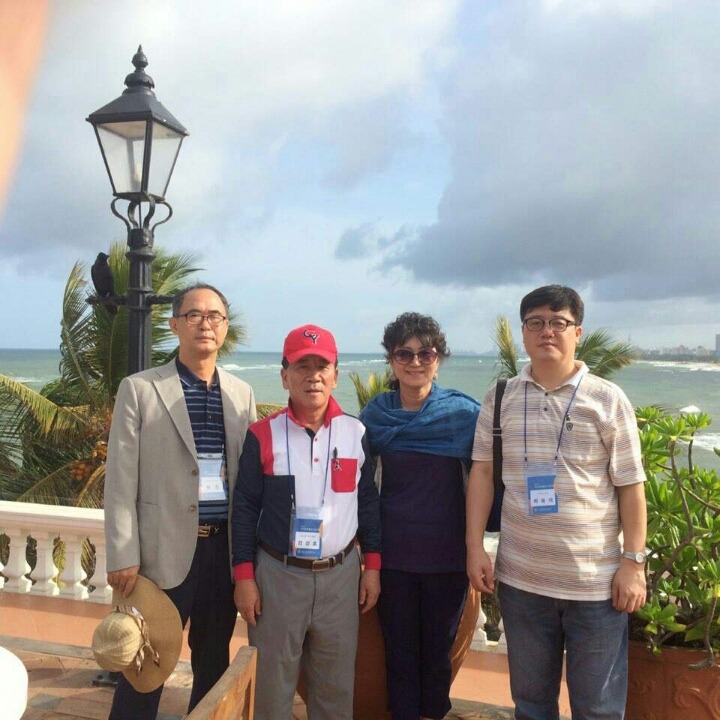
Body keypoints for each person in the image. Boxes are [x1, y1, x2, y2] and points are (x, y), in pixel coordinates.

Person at [466, 285, 647, 720]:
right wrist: (474, 547)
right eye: (536, 322)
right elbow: (483, 475)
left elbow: (630, 486)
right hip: (522, 582)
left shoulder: (607, 399)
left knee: (598, 709)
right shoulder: (500, 396)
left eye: (558, 322)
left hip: (595, 585)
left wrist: (633, 563)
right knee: (531, 705)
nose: (547, 331)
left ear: (577, 332)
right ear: (524, 333)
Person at [104, 282, 257, 720]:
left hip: (221, 552)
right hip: (159, 552)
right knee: (145, 662)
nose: (205, 324)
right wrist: (123, 552)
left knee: (213, 661)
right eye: (194, 315)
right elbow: (120, 480)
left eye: (215, 316)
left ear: (225, 327)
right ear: (175, 324)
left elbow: (248, 481)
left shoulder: (241, 393)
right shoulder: (140, 389)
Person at [232, 324, 382, 720]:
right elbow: (244, 508)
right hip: (278, 577)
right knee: (270, 689)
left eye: (322, 366)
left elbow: (367, 502)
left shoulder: (355, 432)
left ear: (335, 375)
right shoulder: (262, 434)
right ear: (285, 376)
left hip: (341, 577)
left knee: (335, 689)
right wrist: (244, 577)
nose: (313, 376)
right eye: (302, 366)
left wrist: (372, 567)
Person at [360, 312, 480, 720]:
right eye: (404, 354)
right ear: (391, 361)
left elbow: (487, 481)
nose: (415, 362)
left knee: (437, 656)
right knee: (399, 655)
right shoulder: (375, 417)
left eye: (425, 353)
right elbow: (360, 489)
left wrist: (478, 548)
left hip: (448, 560)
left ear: (438, 359)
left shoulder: (463, 416)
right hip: (392, 559)